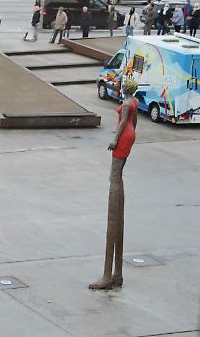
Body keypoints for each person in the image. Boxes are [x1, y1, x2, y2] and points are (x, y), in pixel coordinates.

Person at [90, 77, 138, 290]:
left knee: (114, 177)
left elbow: (122, 124)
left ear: (124, 88)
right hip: (130, 136)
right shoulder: (133, 102)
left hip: (123, 138)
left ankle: (108, 275)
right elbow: (133, 124)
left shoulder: (126, 104)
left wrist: (115, 140)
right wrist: (130, 137)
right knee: (118, 175)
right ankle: (116, 274)